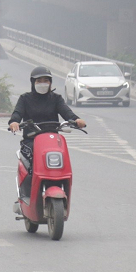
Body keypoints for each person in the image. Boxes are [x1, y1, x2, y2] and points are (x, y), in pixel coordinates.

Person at [8, 66, 87, 200]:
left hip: (51, 140)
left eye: (46, 80)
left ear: (50, 83)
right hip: (31, 140)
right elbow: (17, 114)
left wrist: (76, 120)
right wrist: (14, 122)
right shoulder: (25, 99)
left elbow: (66, 112)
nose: (42, 83)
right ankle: (27, 194)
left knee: (61, 154)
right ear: (33, 83)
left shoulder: (56, 99)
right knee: (32, 163)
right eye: (39, 81)